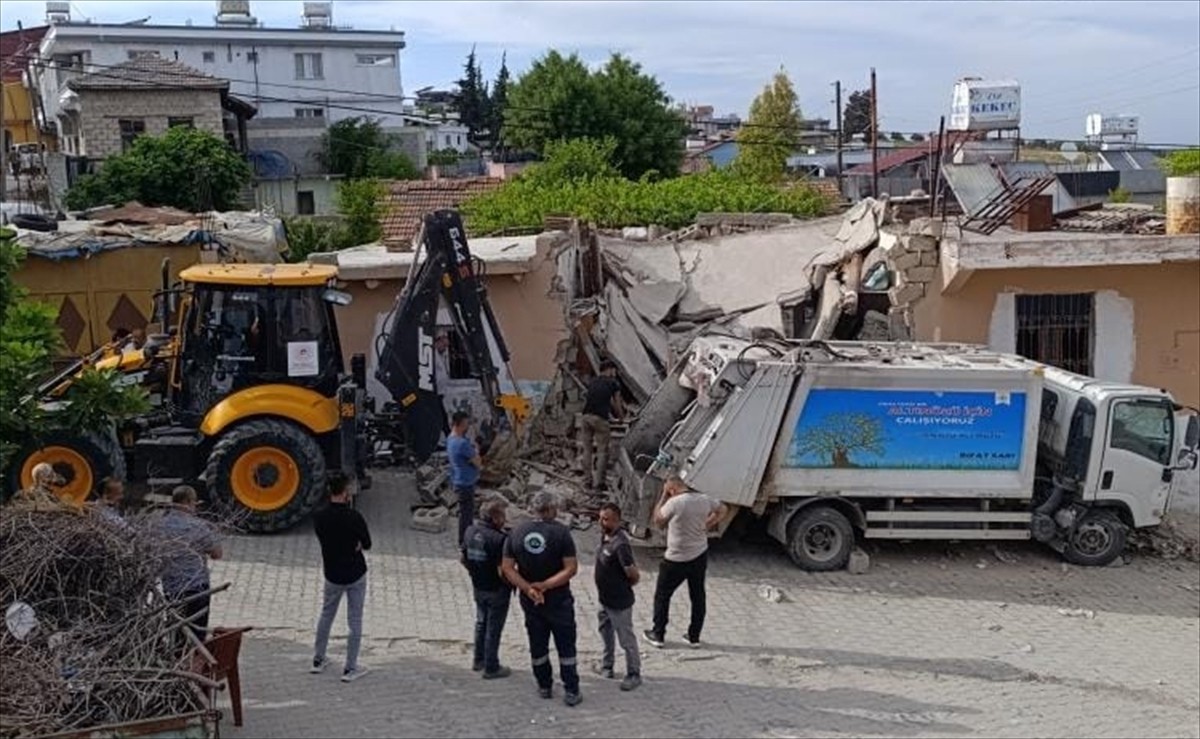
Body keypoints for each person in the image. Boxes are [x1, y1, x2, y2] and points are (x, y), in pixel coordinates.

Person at [501, 491, 583, 707]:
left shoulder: (516, 532)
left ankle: (544, 685)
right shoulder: (561, 533)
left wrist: (528, 589)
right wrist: (545, 586)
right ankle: (571, 690)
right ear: (549, 510)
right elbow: (571, 568)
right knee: (566, 647)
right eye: (555, 508)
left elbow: (508, 568)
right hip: (558, 600)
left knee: (538, 645)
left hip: (531, 602)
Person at [643, 476, 727, 650]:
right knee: (697, 596)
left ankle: (658, 634)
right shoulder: (704, 499)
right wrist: (709, 523)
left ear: (672, 489)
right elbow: (723, 509)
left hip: (676, 558)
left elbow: (658, 521)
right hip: (699, 554)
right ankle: (694, 636)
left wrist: (663, 497)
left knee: (662, 596)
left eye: (669, 490)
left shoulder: (675, 503)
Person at [311, 472, 372, 682]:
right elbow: (367, 543)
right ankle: (350, 667)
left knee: (326, 614)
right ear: (345, 492)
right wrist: (356, 545)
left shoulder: (319, 516)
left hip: (332, 574)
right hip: (355, 573)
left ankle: (318, 659)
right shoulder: (354, 517)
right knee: (354, 620)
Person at [158, 485, 222, 644]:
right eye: (194, 503)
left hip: (171, 587)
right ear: (187, 502)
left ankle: (176, 660)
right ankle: (192, 663)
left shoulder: (159, 525)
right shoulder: (198, 526)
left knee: (177, 633)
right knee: (197, 634)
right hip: (196, 588)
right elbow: (217, 554)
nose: (195, 508)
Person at [461, 497, 513, 679]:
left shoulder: (469, 531)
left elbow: (463, 559)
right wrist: (512, 583)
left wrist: (475, 573)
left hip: (478, 586)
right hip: (496, 590)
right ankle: (491, 667)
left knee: (481, 623)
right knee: (493, 628)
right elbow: (503, 570)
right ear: (496, 517)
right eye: (503, 516)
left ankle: (478, 660)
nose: (505, 520)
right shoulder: (500, 539)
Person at [593, 502, 642, 691]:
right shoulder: (605, 536)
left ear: (617, 521)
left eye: (606, 519)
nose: (602, 522)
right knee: (605, 633)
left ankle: (634, 673)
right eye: (601, 518)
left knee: (626, 639)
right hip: (604, 600)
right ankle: (607, 666)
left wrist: (623, 587)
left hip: (619, 603)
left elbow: (633, 573)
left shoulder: (620, 544)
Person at [579, 362, 625, 492]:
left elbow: (597, 399)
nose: (615, 373)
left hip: (585, 417)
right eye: (614, 370)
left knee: (587, 450)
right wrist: (621, 418)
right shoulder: (613, 383)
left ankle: (587, 481)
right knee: (602, 451)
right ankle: (599, 483)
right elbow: (617, 402)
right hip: (600, 420)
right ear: (609, 370)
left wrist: (608, 414)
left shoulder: (593, 382)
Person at [448, 411, 482, 546]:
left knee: (464, 513)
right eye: (467, 424)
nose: (468, 426)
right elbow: (478, 463)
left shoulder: (451, 439)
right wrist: (477, 450)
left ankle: (464, 539)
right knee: (467, 515)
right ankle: (465, 541)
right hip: (466, 483)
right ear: (461, 424)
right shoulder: (462, 444)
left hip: (457, 480)